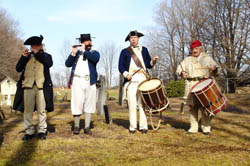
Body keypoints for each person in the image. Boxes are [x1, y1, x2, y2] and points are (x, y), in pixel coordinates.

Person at [14, 35, 54, 140]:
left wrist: (38, 54)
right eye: (33, 46)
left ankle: (42, 131)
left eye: (37, 45)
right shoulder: (26, 57)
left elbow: (49, 63)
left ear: (41, 46)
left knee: (42, 110)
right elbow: (18, 68)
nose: (35, 47)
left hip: (41, 87)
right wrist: (23, 57)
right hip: (27, 86)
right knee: (28, 111)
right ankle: (29, 132)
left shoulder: (46, 56)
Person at [118, 30, 158, 134]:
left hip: (143, 79)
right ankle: (132, 126)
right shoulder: (124, 51)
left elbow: (148, 65)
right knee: (132, 103)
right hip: (131, 79)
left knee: (143, 104)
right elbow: (120, 66)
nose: (134, 39)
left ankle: (143, 126)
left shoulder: (144, 50)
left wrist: (153, 62)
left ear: (138, 39)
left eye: (135, 38)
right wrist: (126, 74)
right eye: (132, 38)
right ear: (129, 40)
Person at [176, 40, 220, 135]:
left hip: (203, 83)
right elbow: (179, 68)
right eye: (192, 49)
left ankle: (206, 128)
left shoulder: (207, 59)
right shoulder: (187, 59)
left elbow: (217, 70)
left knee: (205, 107)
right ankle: (193, 127)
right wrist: (181, 73)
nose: (194, 51)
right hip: (191, 84)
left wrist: (214, 69)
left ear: (200, 49)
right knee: (192, 107)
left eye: (196, 48)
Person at [65, 34, 100, 135]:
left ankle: (87, 127)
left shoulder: (94, 53)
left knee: (90, 103)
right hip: (77, 81)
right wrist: (73, 53)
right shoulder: (76, 54)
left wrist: (85, 51)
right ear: (81, 43)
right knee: (77, 102)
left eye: (89, 41)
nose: (88, 42)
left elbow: (95, 59)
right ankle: (76, 126)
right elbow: (67, 64)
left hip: (90, 81)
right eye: (85, 41)